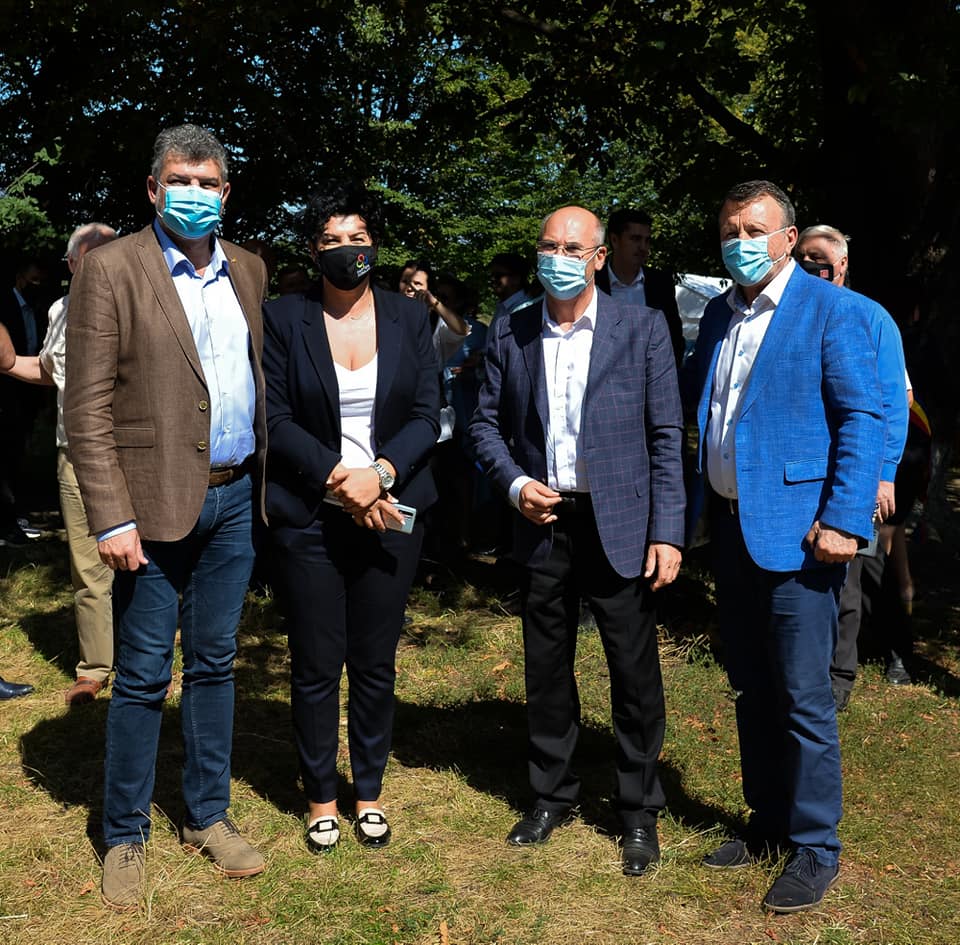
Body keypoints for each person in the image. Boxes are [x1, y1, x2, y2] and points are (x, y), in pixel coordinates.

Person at [63, 124, 268, 910]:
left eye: (207, 182)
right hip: (147, 509)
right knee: (145, 674)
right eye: (179, 179)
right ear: (153, 189)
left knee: (214, 665)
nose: (194, 193)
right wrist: (110, 516)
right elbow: (86, 408)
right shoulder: (112, 268)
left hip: (234, 500)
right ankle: (124, 833)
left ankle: (206, 814)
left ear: (226, 192)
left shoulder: (248, 268)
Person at [468, 206, 685, 877]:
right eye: (548, 246)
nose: (557, 258)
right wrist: (514, 485)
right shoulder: (513, 327)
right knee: (546, 667)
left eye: (571, 247)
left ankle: (638, 808)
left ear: (598, 257)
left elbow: (666, 436)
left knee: (633, 671)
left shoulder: (642, 327)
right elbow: (483, 424)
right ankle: (551, 794)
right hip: (542, 519)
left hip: (620, 522)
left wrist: (668, 532)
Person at [690, 181, 884, 913]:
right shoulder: (720, 313)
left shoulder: (831, 309)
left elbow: (862, 418)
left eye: (754, 229)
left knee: (804, 697)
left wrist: (843, 519)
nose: (740, 241)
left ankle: (815, 846)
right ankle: (768, 819)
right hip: (732, 529)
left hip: (803, 537)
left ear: (788, 237)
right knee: (751, 685)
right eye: (730, 229)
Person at [262, 182, 439, 855]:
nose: (346, 249)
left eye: (356, 237)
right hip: (312, 511)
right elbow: (274, 417)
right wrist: (342, 478)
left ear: (374, 245)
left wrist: (380, 475)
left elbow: (428, 413)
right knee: (315, 661)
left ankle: (369, 791)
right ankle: (320, 798)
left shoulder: (409, 317)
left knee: (373, 661)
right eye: (331, 239)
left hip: (390, 509)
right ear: (313, 250)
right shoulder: (284, 318)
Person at [1, 224, 120, 706]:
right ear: (72, 265)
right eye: (92, 257)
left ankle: (144, 660)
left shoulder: (142, 304)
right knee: (87, 567)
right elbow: (50, 371)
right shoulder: (60, 310)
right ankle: (95, 668)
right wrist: (10, 362)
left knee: (142, 563)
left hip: (130, 455)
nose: (104, 264)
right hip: (74, 455)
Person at [796, 224, 908, 710]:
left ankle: (838, 678)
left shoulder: (871, 317)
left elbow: (892, 403)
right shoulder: (790, 313)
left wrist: (884, 473)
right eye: (802, 257)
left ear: (841, 263)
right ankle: (801, 666)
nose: (809, 266)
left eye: (819, 259)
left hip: (854, 468)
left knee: (849, 578)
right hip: (802, 469)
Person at [595, 208, 684, 368]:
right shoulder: (592, 282)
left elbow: (674, 338)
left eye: (647, 240)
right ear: (614, 240)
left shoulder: (661, 284)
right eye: (635, 239)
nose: (643, 247)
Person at [0, 257, 49, 545]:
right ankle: (8, 523)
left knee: (17, 454)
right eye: (33, 280)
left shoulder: (39, 308)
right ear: (20, 277)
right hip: (7, 392)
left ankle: (15, 514)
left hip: (28, 390)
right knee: (5, 457)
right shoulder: (4, 307)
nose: (37, 285)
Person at [488, 252, 534, 321]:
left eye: (498, 275)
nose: (492, 279)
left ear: (516, 278)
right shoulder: (502, 307)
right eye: (491, 275)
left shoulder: (525, 309)